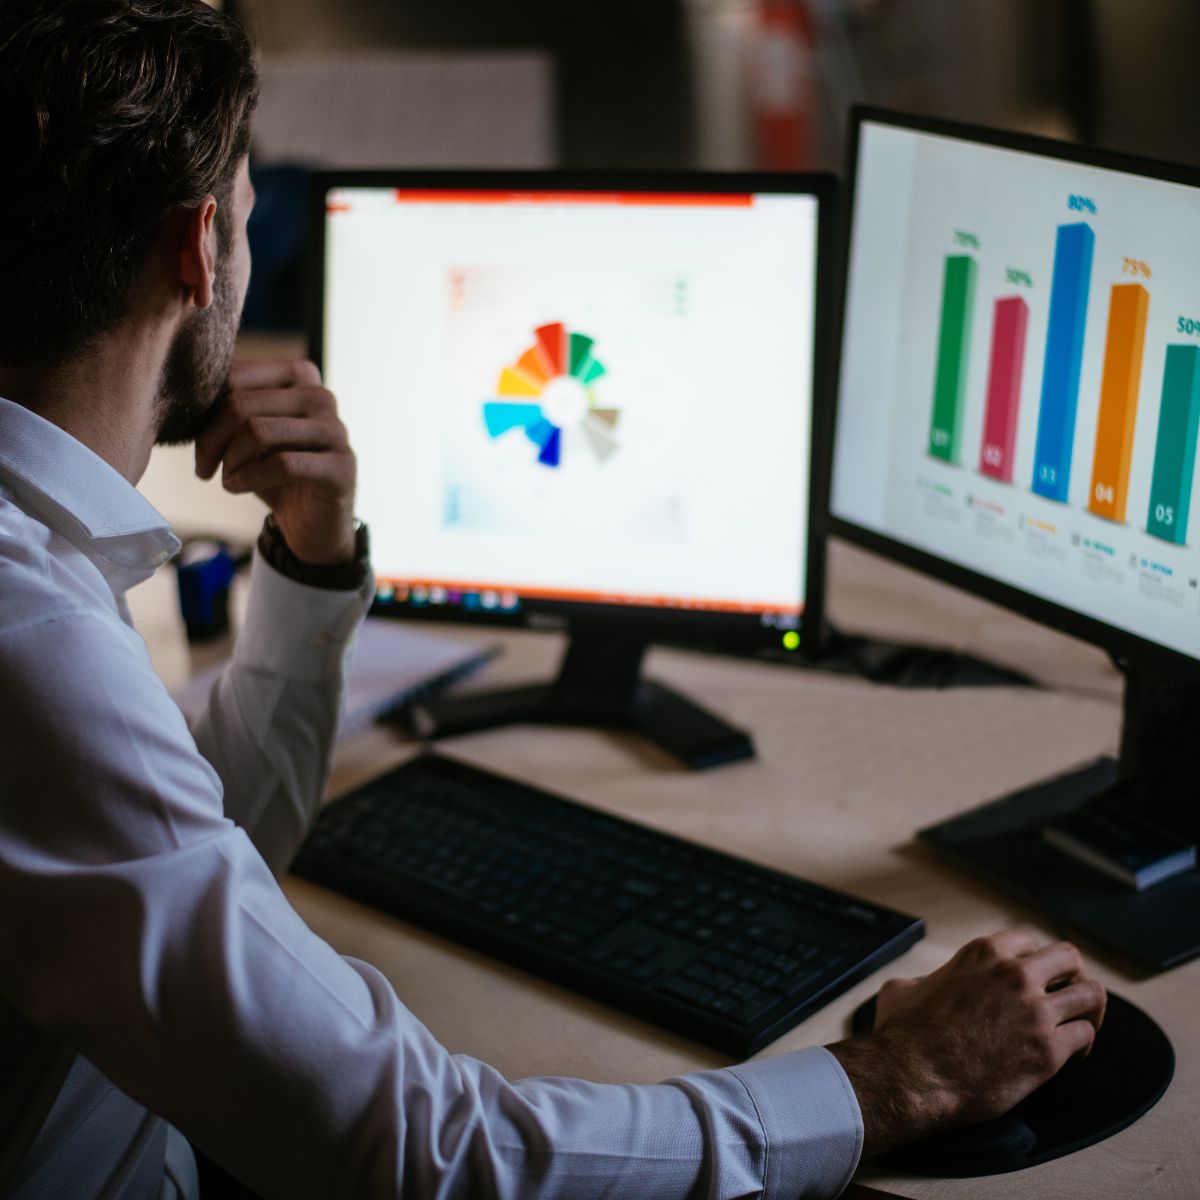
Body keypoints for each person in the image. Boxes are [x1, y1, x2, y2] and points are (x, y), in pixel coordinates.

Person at [0, 2, 1107, 1197]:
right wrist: (900, 1082)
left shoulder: (44, 550)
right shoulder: (36, 639)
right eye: (256, 217)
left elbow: (189, 870)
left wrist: (313, 566)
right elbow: (422, 1152)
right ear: (199, 246)